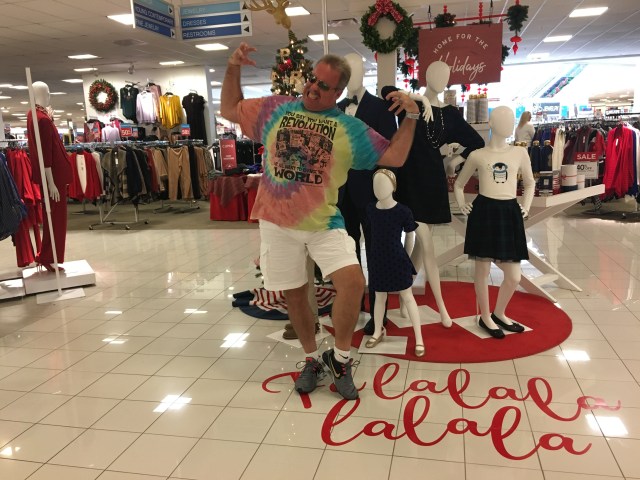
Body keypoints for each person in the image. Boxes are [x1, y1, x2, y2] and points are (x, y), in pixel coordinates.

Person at [221, 42, 420, 400]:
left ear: (337, 93)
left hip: (324, 222)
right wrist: (233, 66)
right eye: (313, 79)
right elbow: (229, 109)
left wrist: (412, 116)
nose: (313, 88)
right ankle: (312, 360)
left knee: (353, 282)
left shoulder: (349, 128)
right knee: (296, 295)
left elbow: (396, 156)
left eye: (324, 86)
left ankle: (340, 359)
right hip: (277, 223)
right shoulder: (276, 108)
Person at [385, 61, 485, 329]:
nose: (441, 79)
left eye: (445, 76)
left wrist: (454, 159)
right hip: (409, 180)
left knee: (421, 245)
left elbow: (477, 142)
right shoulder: (409, 104)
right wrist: (415, 99)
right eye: (435, 74)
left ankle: (407, 295)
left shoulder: (449, 114)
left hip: (432, 183)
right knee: (421, 242)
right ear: (426, 76)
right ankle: (440, 308)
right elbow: (386, 91)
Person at [453, 106, 535, 339]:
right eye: (503, 119)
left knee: (514, 276)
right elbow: (459, 184)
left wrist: (526, 206)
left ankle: (499, 312)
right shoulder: (478, 155)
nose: (509, 124)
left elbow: (530, 183)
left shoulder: (519, 153)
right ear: (490, 123)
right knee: (482, 269)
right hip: (484, 212)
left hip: (509, 212)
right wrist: (462, 204)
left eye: (511, 119)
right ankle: (486, 316)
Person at [336, 53, 397, 335]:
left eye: (356, 70)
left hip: (373, 192)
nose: (352, 76)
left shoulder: (381, 108)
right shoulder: (335, 109)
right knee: (348, 255)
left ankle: (378, 313)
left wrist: (387, 192)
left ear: (364, 72)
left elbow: (389, 151)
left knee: (376, 252)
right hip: (342, 194)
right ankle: (354, 302)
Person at [364, 169, 424, 356]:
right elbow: (370, 235)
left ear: (393, 186)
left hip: (397, 259)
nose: (378, 188)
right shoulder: (370, 209)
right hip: (377, 260)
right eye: (375, 184)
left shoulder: (403, 211)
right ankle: (377, 331)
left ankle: (419, 338)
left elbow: (410, 237)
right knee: (379, 297)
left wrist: (406, 258)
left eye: (383, 184)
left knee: (407, 296)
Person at [26, 81, 73, 273]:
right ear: (40, 94)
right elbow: (45, 152)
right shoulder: (42, 119)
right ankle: (50, 257)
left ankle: (48, 256)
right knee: (56, 218)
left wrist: (50, 119)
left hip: (52, 175)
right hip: (54, 176)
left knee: (52, 216)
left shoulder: (34, 115)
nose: (49, 96)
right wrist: (51, 183)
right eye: (47, 92)